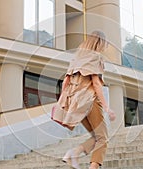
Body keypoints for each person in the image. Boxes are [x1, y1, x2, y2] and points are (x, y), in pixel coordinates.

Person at [52, 30, 116, 169]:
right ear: (99, 43)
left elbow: (65, 83)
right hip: (89, 101)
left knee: (96, 137)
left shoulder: (76, 58)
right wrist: (106, 107)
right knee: (103, 138)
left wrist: (63, 104)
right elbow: (96, 84)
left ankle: (73, 153)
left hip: (76, 104)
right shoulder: (96, 57)